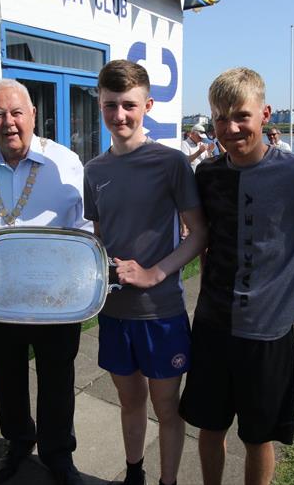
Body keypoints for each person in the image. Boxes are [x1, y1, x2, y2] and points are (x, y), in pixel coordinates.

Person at [178, 68, 294, 485]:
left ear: (265, 114)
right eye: (221, 118)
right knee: (209, 426)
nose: (231, 127)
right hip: (213, 325)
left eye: (241, 116)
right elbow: (208, 241)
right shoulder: (206, 175)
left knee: (259, 437)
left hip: (268, 332)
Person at [84, 60, 208, 485]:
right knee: (129, 401)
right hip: (115, 313)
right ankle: (134, 473)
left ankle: (167, 481)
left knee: (168, 409)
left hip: (161, 312)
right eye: (109, 106)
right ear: (100, 106)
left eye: (129, 105)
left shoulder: (171, 162)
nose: (119, 115)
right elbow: (101, 237)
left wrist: (156, 272)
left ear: (148, 105)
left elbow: (198, 234)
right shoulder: (94, 170)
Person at [0, 79, 89, 485]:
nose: (9, 122)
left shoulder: (66, 163)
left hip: (56, 301)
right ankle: (17, 442)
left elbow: (86, 229)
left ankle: (57, 454)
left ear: (34, 115)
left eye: (17, 113)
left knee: (57, 379)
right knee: (5, 376)